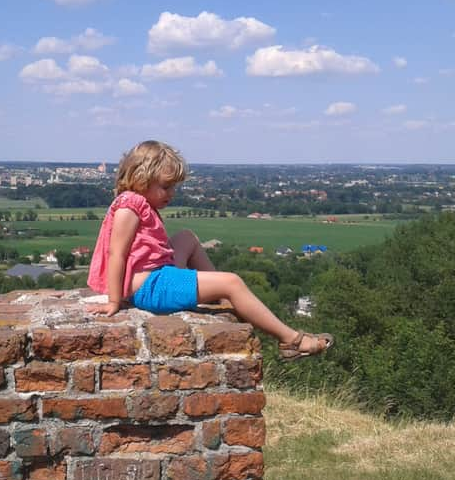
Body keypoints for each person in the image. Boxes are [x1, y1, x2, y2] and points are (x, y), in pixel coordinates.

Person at [87, 140, 332, 360]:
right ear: (142, 179)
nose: (171, 194)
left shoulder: (137, 202)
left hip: (157, 276)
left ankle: (221, 299)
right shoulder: (129, 206)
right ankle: (291, 340)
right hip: (150, 288)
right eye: (165, 186)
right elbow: (115, 254)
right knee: (232, 281)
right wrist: (114, 301)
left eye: (174, 187)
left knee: (187, 237)